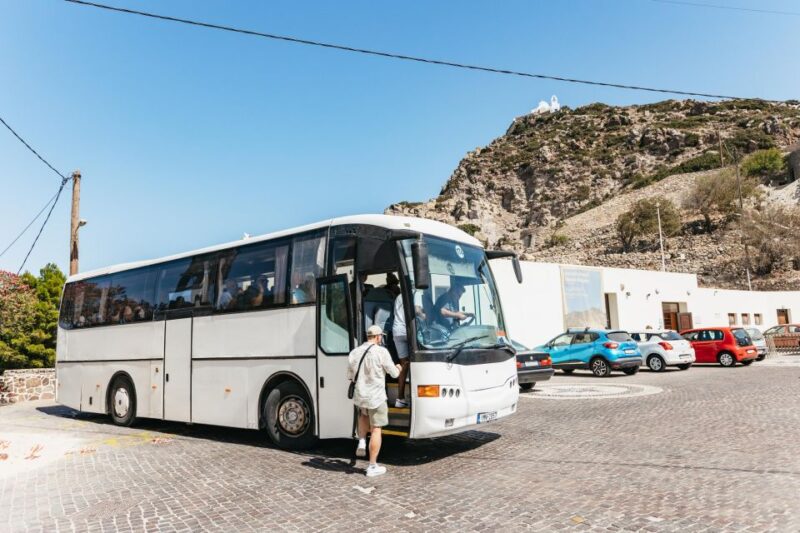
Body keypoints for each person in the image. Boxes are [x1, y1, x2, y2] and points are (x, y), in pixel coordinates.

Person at [347, 324, 401, 477]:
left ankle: (362, 441)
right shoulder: (382, 352)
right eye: (381, 337)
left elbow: (350, 376)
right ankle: (372, 466)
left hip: (360, 395)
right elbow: (394, 374)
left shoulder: (355, 352)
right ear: (378, 337)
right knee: (376, 428)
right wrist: (399, 368)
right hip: (376, 397)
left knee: (363, 415)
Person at [392, 293, 426, 408]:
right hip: (408, 330)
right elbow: (417, 309)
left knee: (404, 364)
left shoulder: (399, 296)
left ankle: (400, 399)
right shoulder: (414, 293)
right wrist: (425, 316)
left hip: (397, 331)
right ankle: (414, 397)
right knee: (418, 360)